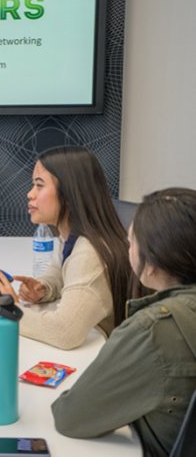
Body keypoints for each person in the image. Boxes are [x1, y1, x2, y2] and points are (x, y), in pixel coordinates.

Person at [52, 187, 196, 456]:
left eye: (131, 243)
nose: (127, 250)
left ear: (151, 264)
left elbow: (71, 417)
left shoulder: (153, 330)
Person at [0, 146, 131, 349]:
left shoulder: (89, 253)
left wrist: (12, 311)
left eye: (39, 186)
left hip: (106, 362)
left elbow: (65, 332)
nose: (30, 194)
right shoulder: (73, 236)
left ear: (69, 195)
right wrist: (44, 287)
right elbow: (60, 270)